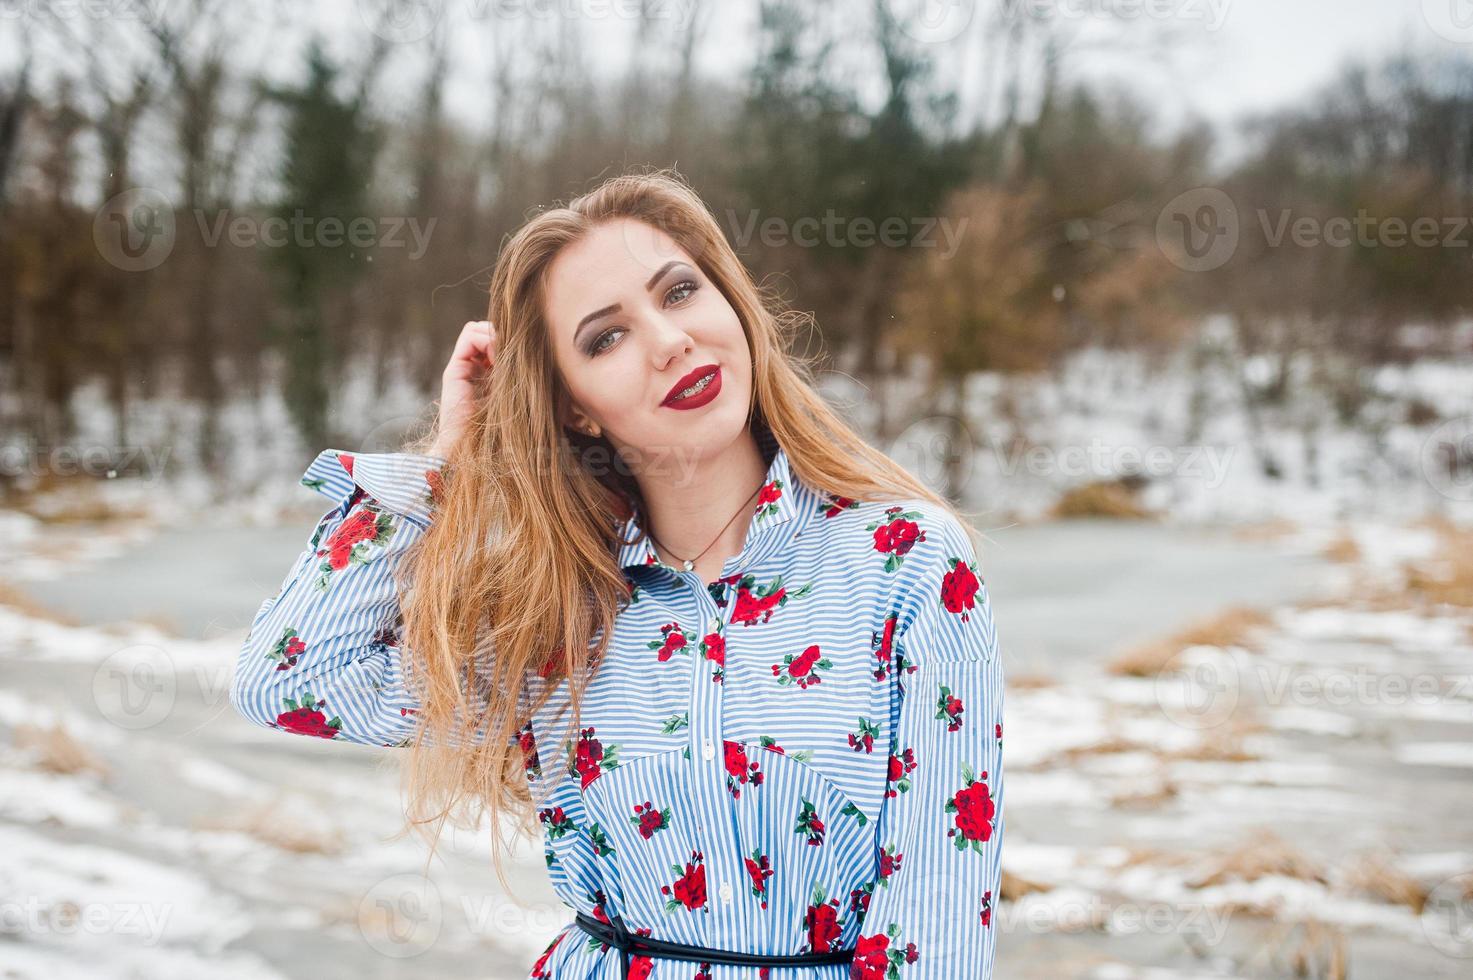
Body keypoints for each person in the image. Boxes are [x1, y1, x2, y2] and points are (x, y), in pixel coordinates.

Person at [231, 169, 1005, 979]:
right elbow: (289, 680)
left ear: (732, 304)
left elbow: (937, 921)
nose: (669, 340)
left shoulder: (904, 561)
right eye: (606, 336)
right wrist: (446, 462)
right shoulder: (556, 609)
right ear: (575, 407)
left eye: (678, 292)